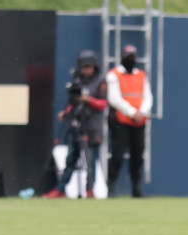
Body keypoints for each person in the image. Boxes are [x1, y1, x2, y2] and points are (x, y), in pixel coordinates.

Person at [42, 50, 107, 199]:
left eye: (89, 66)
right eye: (84, 67)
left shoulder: (100, 81)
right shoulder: (76, 80)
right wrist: (66, 114)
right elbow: (72, 102)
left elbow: (103, 104)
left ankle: (90, 191)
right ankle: (60, 190)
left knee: (90, 161)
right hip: (77, 125)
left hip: (92, 127)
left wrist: (88, 99)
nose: (86, 70)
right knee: (70, 159)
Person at [106, 44, 153, 197]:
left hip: (139, 122)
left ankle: (136, 188)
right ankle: (111, 186)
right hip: (121, 121)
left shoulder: (141, 75)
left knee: (137, 155)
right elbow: (114, 99)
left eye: (132, 57)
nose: (130, 60)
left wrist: (142, 113)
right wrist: (132, 112)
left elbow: (148, 97)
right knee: (117, 155)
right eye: (128, 57)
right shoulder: (114, 74)